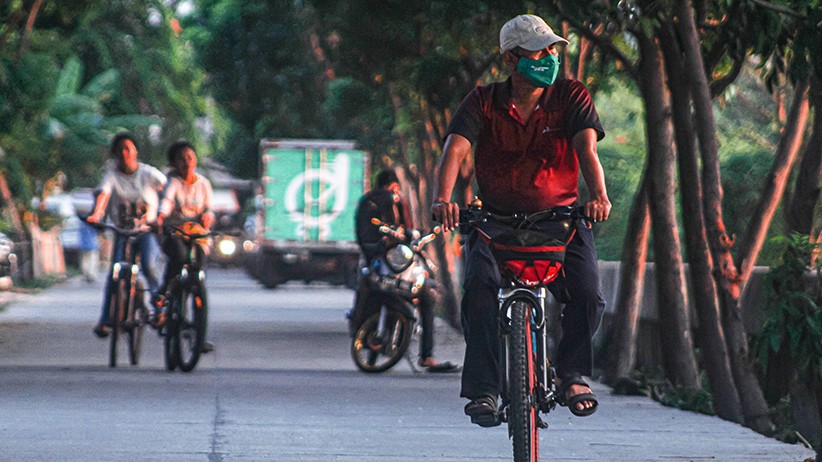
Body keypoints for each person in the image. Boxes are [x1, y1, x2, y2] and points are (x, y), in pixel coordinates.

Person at [430, 14, 611, 424]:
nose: (548, 57)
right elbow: (455, 150)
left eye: (552, 49)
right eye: (538, 50)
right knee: (478, 290)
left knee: (587, 295)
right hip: (494, 220)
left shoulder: (571, 96)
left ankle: (572, 374)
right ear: (511, 60)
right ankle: (485, 390)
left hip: (561, 220)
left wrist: (598, 196)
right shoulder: (481, 101)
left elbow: (587, 150)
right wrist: (443, 200)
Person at [350, 169, 459, 372]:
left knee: (425, 295)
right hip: (381, 261)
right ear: (392, 185)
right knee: (425, 299)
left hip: (393, 261)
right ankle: (427, 356)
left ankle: (424, 353)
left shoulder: (371, 201)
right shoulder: (384, 202)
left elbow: (408, 232)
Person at [89, 133, 166, 338]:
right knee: (114, 273)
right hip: (121, 231)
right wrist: (97, 214)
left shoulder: (148, 173)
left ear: (136, 152)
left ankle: (159, 311)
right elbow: (103, 195)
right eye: (121, 149)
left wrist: (162, 215)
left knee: (149, 268)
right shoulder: (111, 176)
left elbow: (166, 188)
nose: (125, 153)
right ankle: (105, 320)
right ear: (115, 154)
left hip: (145, 231)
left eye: (128, 148)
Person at [154, 140, 215, 353]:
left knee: (197, 271)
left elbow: (209, 208)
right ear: (175, 163)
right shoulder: (173, 183)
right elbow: (167, 202)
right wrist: (161, 216)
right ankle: (164, 292)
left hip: (197, 234)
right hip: (175, 232)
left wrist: (207, 216)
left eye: (190, 157)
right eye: (182, 159)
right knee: (179, 258)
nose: (187, 163)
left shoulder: (204, 184)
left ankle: (200, 334)